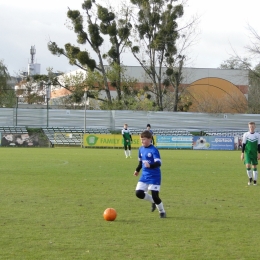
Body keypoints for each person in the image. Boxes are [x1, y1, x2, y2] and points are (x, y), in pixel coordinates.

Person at [134, 130, 166, 218]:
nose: (142, 141)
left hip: (154, 176)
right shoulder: (141, 149)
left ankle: (162, 211)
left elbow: (158, 163)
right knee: (138, 193)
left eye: (143, 139)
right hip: (144, 176)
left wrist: (150, 165)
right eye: (141, 139)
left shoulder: (154, 150)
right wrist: (137, 170)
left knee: (156, 196)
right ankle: (153, 201)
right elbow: (141, 162)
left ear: (149, 139)